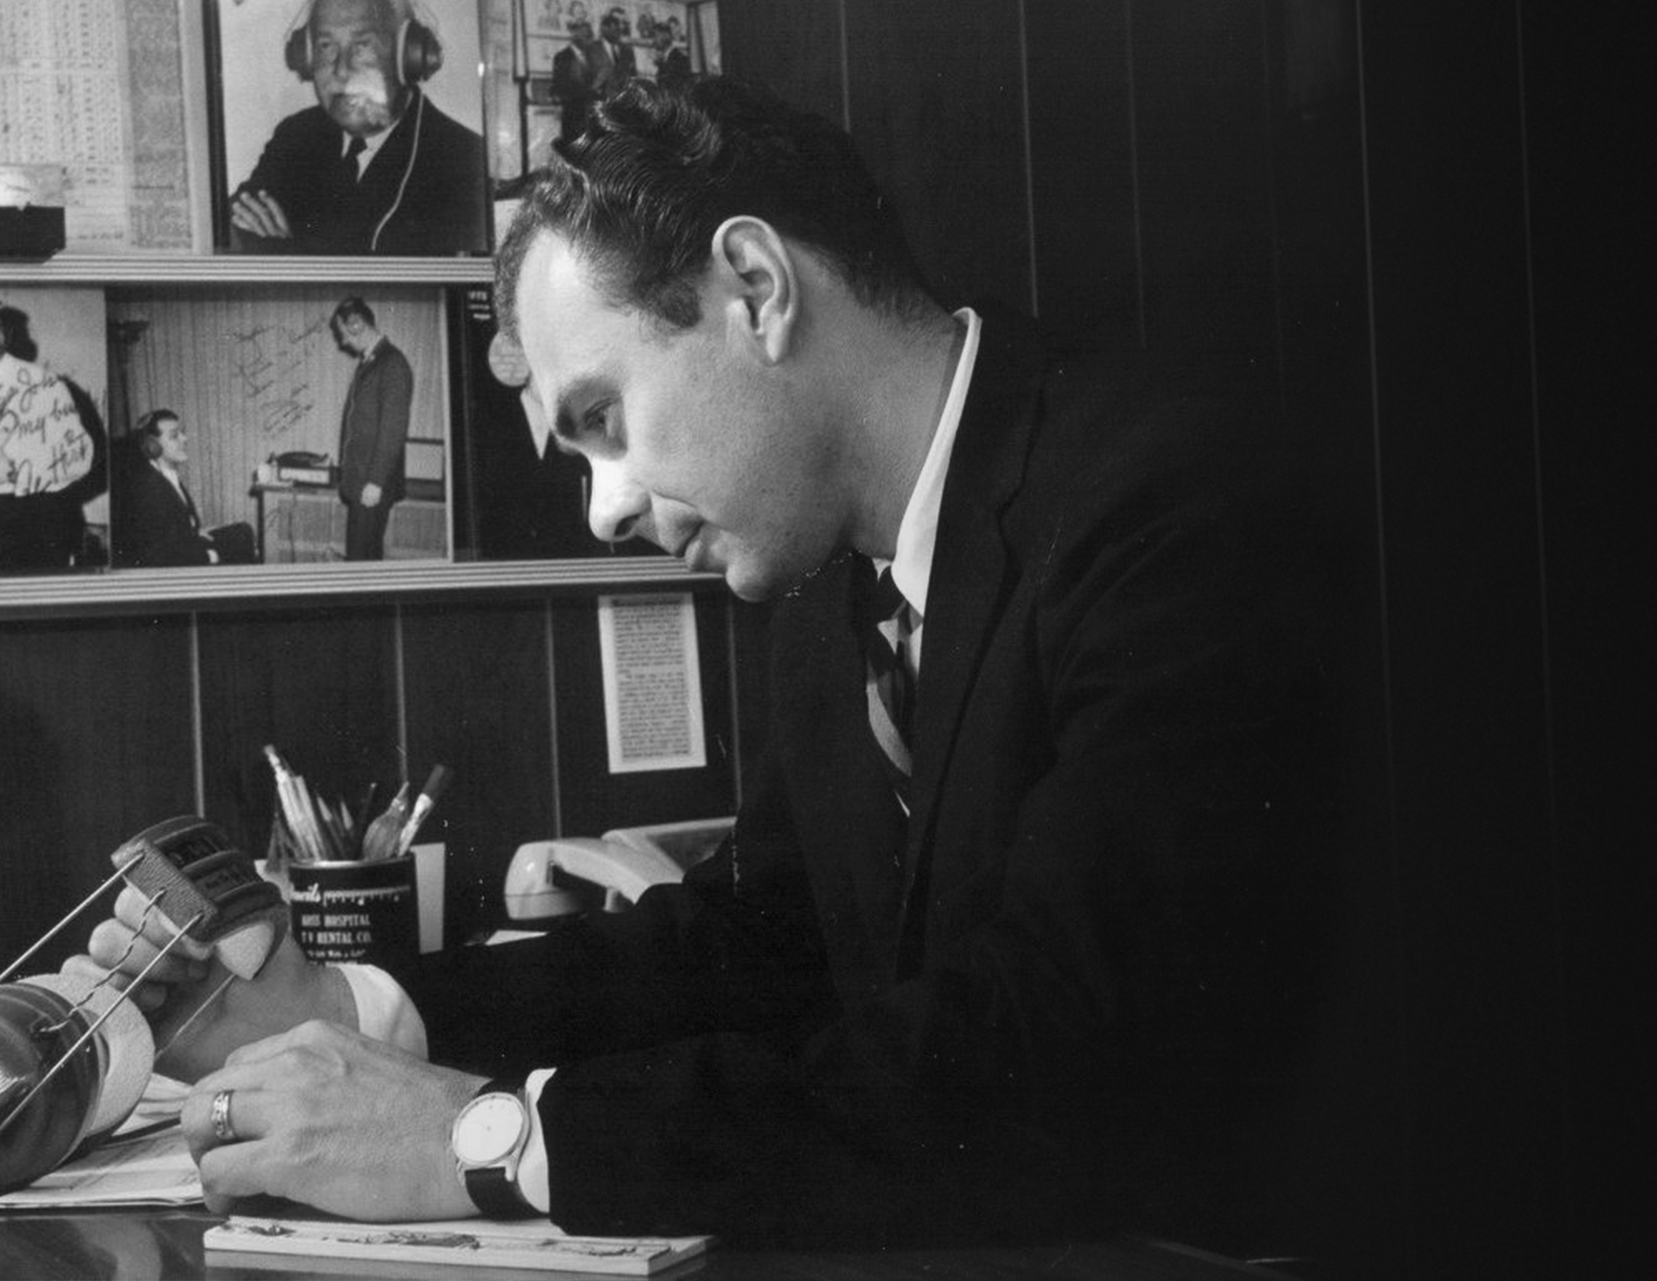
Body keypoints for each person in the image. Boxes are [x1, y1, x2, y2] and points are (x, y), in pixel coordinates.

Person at [74, 77, 1339, 1249]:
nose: (604, 510)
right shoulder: (830, 574)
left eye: (603, 419)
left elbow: (1063, 1050)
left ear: (756, 288)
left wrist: (489, 1139)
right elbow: (758, 946)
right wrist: (359, 1015)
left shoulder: (1168, 501)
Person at [231, 0, 489, 255]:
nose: (342, 71)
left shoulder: (463, 161)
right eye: (326, 46)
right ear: (305, 57)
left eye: (362, 46)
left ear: (408, 56)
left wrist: (292, 255)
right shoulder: (296, 135)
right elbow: (235, 225)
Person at [0, 304, 108, 570]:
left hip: (30, 521)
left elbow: (79, 458)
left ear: (3, 335)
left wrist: (20, 473)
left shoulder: (43, 383)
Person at [326, 297, 414, 560]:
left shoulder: (392, 363)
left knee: (360, 558)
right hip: (363, 481)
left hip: (371, 484)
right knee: (367, 557)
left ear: (356, 325)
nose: (343, 341)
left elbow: (393, 429)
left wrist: (375, 481)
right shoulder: (372, 361)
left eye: (343, 333)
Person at [108, 411, 223, 567]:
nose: (184, 439)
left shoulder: (165, 475)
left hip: (185, 545)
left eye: (182, 433)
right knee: (240, 542)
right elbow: (157, 553)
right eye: (174, 436)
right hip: (173, 563)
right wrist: (210, 556)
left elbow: (172, 526)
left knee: (242, 532)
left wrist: (195, 531)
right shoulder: (147, 487)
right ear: (152, 445)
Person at [546, 19, 616, 145]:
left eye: (590, 36)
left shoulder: (595, 57)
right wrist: (590, 91)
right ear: (574, 35)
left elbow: (604, 82)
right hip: (573, 120)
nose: (589, 39)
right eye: (585, 35)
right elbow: (561, 88)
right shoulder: (562, 57)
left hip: (593, 122)